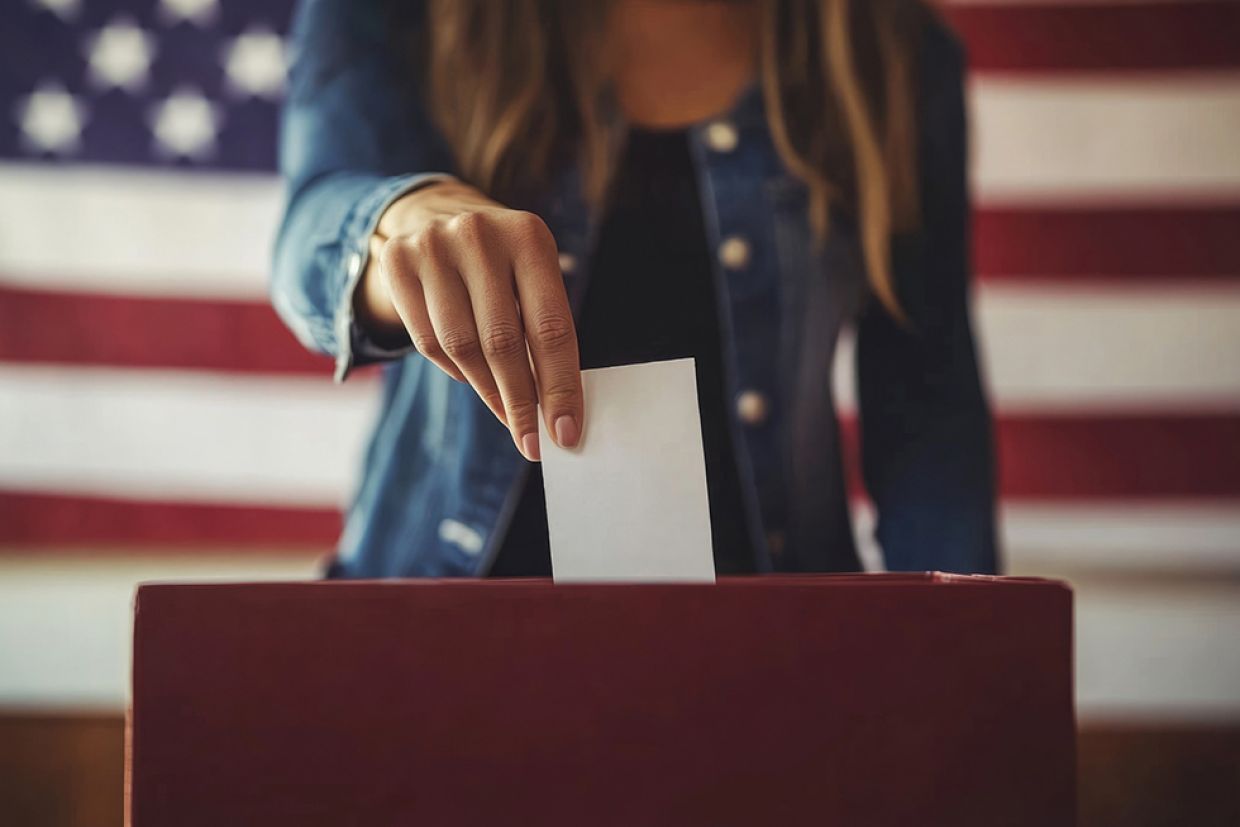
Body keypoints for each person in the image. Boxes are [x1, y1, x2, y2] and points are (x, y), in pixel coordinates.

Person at [272, 0, 997, 578]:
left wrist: (960, 667)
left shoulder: (892, 50)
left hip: (771, 655)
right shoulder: (400, 13)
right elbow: (313, 231)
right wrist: (399, 221)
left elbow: (929, 413)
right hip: (438, 639)